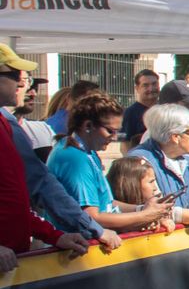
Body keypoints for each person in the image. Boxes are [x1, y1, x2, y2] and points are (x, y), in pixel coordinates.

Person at [0, 46, 118, 250]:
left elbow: (24, 196)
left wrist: (55, 236)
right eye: (13, 74)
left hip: (15, 261)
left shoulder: (7, 125)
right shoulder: (70, 154)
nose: (22, 82)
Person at [48, 93, 176, 235]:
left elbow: (107, 204)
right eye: (110, 131)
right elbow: (91, 217)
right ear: (88, 126)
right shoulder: (75, 158)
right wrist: (145, 216)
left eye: (117, 131)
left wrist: (142, 209)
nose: (114, 137)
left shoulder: (87, 151)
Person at [0, 113, 89, 272]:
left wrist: (55, 236)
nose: (26, 86)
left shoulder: (5, 123)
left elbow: (13, 206)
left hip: (14, 268)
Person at [107, 156, 179, 232]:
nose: (155, 188)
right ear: (132, 185)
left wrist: (158, 220)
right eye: (151, 182)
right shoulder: (112, 217)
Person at [120, 69, 162, 152]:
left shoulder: (165, 110)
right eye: (145, 85)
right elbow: (124, 144)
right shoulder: (130, 113)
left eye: (154, 84)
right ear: (137, 88)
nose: (151, 88)